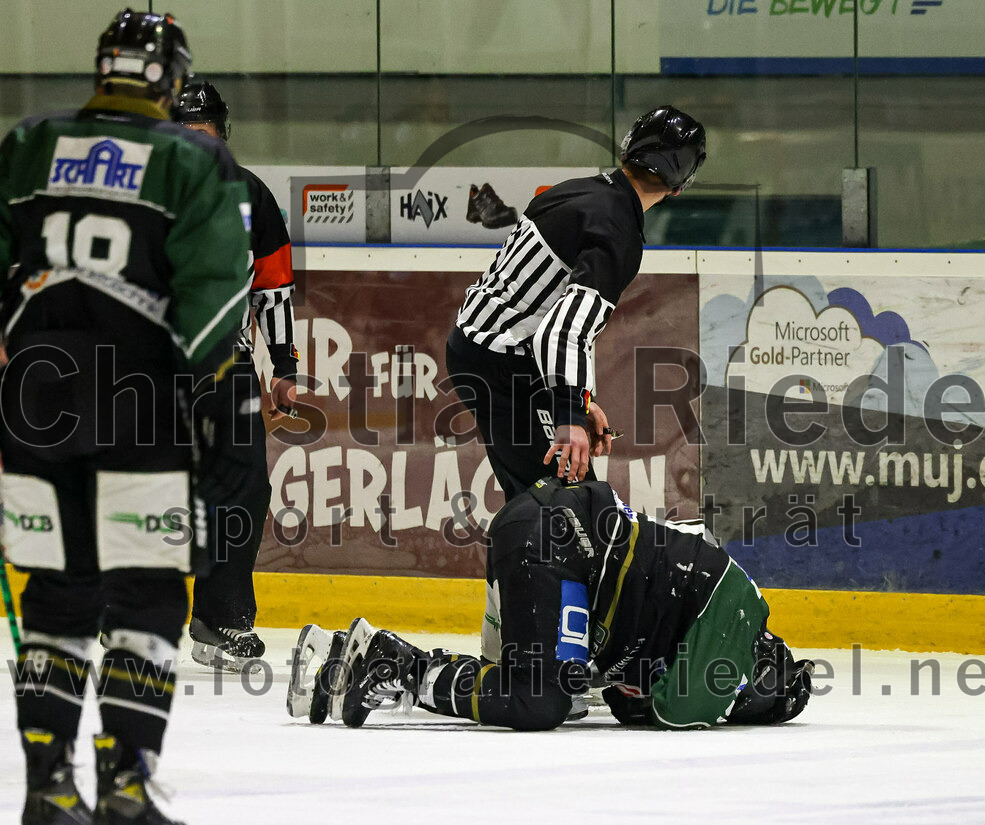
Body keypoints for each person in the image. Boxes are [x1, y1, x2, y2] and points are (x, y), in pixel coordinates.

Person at [0, 9, 253, 824]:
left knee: (56, 595)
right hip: (137, 404)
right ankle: (127, 785)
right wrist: (217, 408)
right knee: (146, 594)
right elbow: (214, 304)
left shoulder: (28, 144)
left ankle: (47, 787)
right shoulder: (192, 158)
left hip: (34, 405)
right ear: (169, 80)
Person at [290, 478, 813, 732]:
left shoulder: (710, 622)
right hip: (559, 545)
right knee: (541, 702)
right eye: (759, 695)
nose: (746, 699)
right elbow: (677, 709)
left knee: (538, 688)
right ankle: (394, 663)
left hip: (551, 542)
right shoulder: (741, 614)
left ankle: (355, 658)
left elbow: (630, 705)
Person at [445, 107, 706, 500]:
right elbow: (560, 332)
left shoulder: (575, 191)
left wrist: (581, 397)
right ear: (677, 188)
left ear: (627, 151)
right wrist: (568, 415)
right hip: (501, 365)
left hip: (477, 347)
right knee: (562, 504)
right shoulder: (618, 232)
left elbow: (536, 309)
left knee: (539, 498)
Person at [171, 79, 299, 671]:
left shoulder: (254, 195)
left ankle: (219, 619)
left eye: (208, 134)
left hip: (230, 365)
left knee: (245, 488)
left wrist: (285, 368)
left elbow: (274, 289)